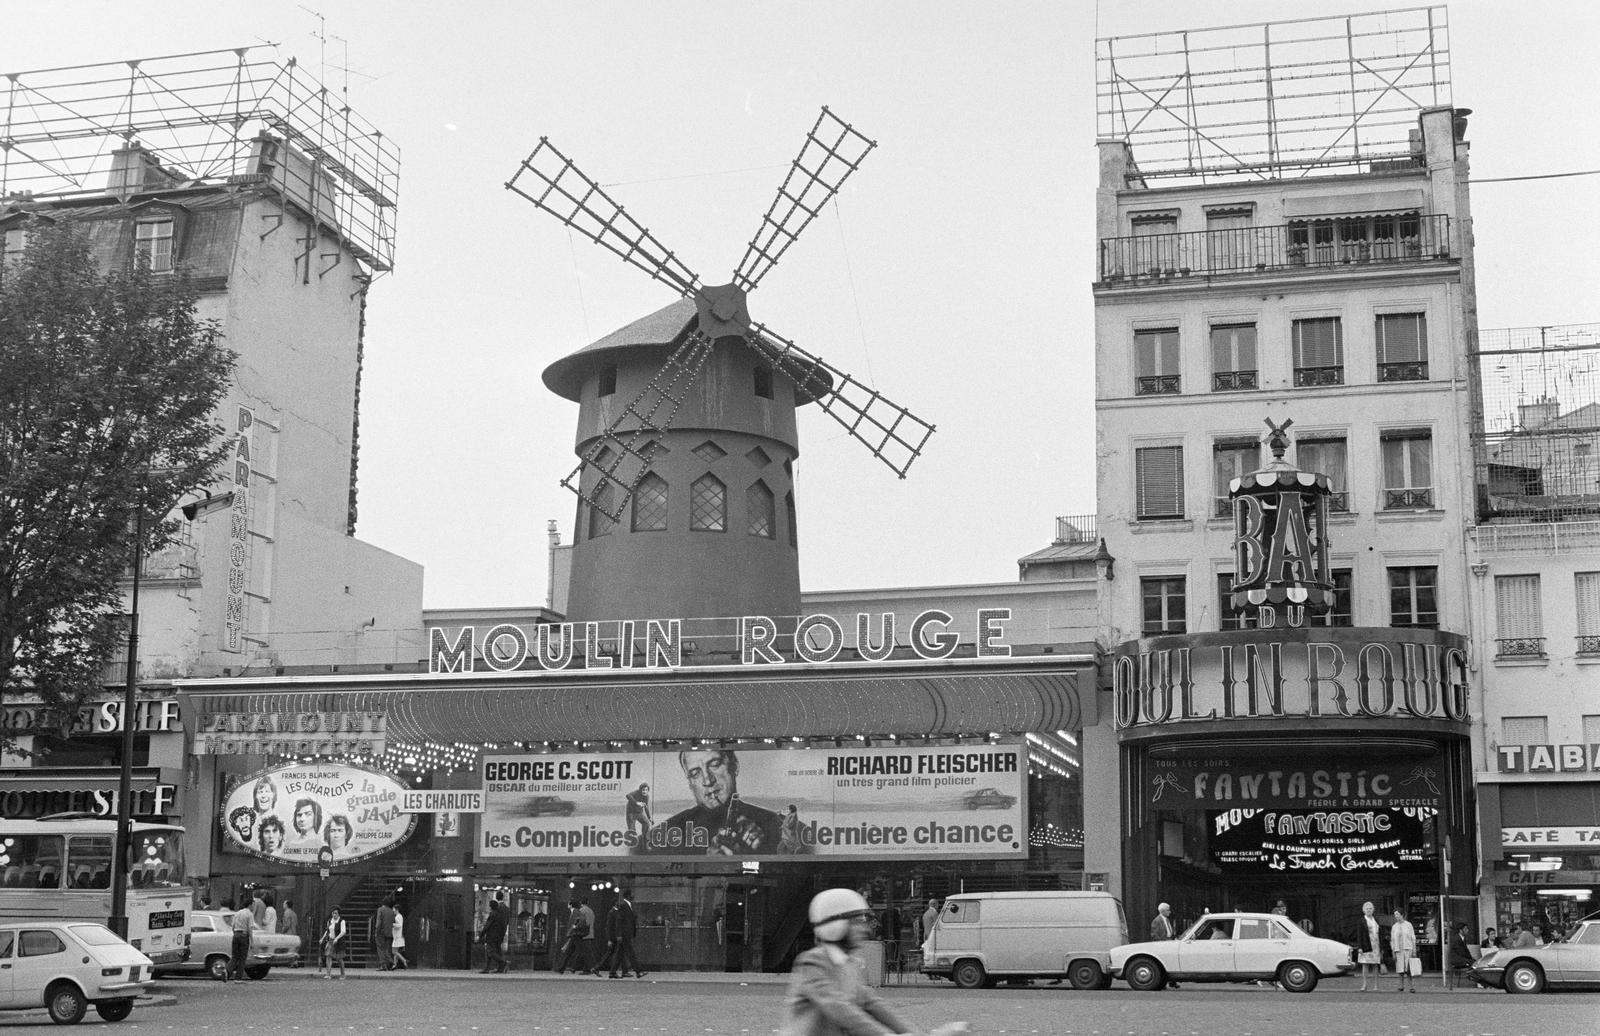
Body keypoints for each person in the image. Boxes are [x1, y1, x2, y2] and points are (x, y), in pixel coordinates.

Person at [780, 888, 968, 1036]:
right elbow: (838, 1007)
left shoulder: (850, 965)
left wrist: (916, 1034)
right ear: (835, 926)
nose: (864, 929)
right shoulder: (812, 963)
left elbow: (874, 1005)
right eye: (856, 922)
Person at [657, 749, 782, 855]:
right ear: (690, 784)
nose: (707, 780)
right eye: (695, 773)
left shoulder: (774, 824)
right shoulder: (666, 832)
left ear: (734, 766)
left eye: (715, 764)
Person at [603, 887, 645, 978]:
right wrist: (619, 934)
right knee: (631, 953)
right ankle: (638, 971)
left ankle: (612, 972)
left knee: (619, 954)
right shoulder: (623, 905)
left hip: (626, 933)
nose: (633, 895)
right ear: (628, 895)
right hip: (624, 934)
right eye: (632, 894)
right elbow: (619, 921)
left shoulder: (628, 905)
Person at [557, 896, 597, 974]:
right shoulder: (591, 911)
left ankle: (590, 968)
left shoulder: (579, 911)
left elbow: (580, 922)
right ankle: (565, 968)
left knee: (580, 952)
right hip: (587, 934)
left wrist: (575, 927)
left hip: (578, 934)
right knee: (574, 951)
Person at [1149, 902, 1181, 988]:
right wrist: (1162, 943)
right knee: (1165, 964)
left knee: (1171, 963)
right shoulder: (1156, 921)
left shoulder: (1167, 920)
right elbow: (1154, 935)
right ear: (1162, 911)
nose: (1170, 912)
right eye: (1168, 910)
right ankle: (1166, 982)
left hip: (1169, 942)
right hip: (1162, 945)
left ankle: (1172, 981)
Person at [479, 893, 508, 974]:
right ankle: (489, 968)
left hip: (492, 936)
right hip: (500, 935)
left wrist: (481, 935)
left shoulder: (493, 914)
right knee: (496, 951)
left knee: (490, 951)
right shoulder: (504, 910)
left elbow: (487, 926)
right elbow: (506, 922)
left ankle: (502, 962)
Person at [1355, 901, 1382, 991]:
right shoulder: (1361, 920)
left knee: (1375, 965)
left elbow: (1380, 933)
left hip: (1376, 945)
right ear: (1363, 910)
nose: (1369, 910)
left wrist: (1382, 947)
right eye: (1367, 909)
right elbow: (1359, 935)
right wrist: (1360, 947)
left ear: (1373, 910)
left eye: (1370, 908)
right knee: (1365, 964)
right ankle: (1364, 985)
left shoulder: (1376, 920)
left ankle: (1376, 985)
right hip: (1365, 944)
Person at [229, 897, 257, 982]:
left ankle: (226, 970)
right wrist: (252, 941)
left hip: (236, 935)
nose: (254, 907)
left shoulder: (237, 913)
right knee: (242, 958)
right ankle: (238, 978)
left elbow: (233, 926)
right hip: (244, 936)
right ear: (249, 905)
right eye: (253, 905)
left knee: (234, 957)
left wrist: (235, 934)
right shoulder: (250, 914)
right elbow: (250, 928)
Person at [1390, 909, 1418, 993]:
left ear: (1402, 915)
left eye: (1397, 914)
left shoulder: (1408, 925)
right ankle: (1401, 986)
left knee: (1408, 969)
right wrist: (1393, 951)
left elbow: (1413, 938)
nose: (1396, 916)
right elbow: (1392, 940)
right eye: (1395, 915)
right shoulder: (1394, 927)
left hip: (1407, 949)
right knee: (1400, 969)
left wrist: (1414, 950)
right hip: (1398, 950)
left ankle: (1411, 986)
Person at [320, 908, 348, 979]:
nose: (334, 915)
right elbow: (327, 931)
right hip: (330, 940)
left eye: (336, 913)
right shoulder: (330, 921)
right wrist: (322, 938)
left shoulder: (342, 921)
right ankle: (328, 974)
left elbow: (343, 931)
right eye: (333, 913)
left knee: (339, 958)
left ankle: (343, 974)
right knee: (328, 956)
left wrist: (337, 938)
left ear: (338, 914)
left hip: (339, 942)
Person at [1446, 921, 1474, 989]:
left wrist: (1471, 958)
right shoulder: (1456, 939)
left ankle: (1473, 978)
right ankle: (1473, 979)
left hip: (1461, 958)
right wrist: (1471, 959)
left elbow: (1465, 952)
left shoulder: (1462, 938)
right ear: (1460, 930)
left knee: (1476, 962)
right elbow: (1461, 952)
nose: (1467, 930)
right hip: (1457, 960)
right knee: (1474, 963)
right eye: (1465, 929)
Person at [374, 892, 397, 971]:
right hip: (389, 933)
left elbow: (379, 922)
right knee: (387, 949)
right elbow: (393, 922)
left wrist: (376, 931)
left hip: (381, 932)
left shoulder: (380, 909)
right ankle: (390, 962)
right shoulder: (391, 911)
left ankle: (383, 964)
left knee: (380, 948)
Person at [280, 898, 300, 966]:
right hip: (294, 932)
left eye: (284, 904)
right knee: (293, 948)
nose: (283, 905)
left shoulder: (287, 913)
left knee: (288, 948)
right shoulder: (294, 913)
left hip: (288, 933)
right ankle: (294, 962)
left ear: (286, 905)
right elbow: (296, 924)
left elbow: (287, 925)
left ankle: (290, 962)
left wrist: (282, 932)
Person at [392, 904, 409, 970]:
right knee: (396, 951)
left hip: (397, 936)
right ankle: (394, 965)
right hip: (397, 936)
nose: (393, 910)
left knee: (394, 951)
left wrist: (392, 924)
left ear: (397, 909)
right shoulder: (399, 916)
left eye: (393, 909)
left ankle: (404, 960)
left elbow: (399, 925)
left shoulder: (398, 916)